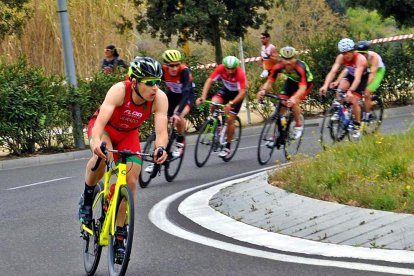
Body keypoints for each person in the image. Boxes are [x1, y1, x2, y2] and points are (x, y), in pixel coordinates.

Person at [79, 56, 168, 259]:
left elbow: (161, 131)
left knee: (131, 179)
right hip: (106, 129)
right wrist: (95, 144)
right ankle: (87, 197)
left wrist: (160, 148)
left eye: (158, 82)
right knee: (104, 156)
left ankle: (120, 233)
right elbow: (100, 123)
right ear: (135, 82)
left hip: (129, 134)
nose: (155, 87)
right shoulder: (120, 90)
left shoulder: (159, 98)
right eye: (150, 82)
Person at [256, 46, 314, 142]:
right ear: (281, 59)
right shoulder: (278, 66)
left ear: (295, 58)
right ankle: (277, 134)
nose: (288, 62)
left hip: (306, 84)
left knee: (294, 102)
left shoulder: (300, 67)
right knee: (281, 104)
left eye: (290, 59)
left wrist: (294, 98)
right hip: (291, 81)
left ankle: (298, 125)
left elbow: (302, 88)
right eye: (285, 59)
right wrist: (263, 90)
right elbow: (269, 81)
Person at [196, 56, 247, 158]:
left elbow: (242, 93)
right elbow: (209, 81)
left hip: (237, 96)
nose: (229, 71)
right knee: (213, 104)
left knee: (230, 120)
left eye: (232, 69)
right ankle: (218, 125)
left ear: (236, 67)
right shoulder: (220, 68)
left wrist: (231, 104)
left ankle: (227, 147)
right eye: (228, 68)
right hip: (226, 91)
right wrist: (203, 97)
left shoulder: (240, 73)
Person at [319, 38, 368, 138]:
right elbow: (333, 71)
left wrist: (350, 91)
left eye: (348, 52)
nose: (346, 55)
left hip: (361, 77)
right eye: (343, 53)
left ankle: (357, 125)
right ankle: (340, 111)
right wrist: (325, 85)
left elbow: (358, 79)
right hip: (351, 75)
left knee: (353, 99)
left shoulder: (360, 59)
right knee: (340, 89)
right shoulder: (341, 57)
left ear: (353, 51)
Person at [354, 40, 385, 121]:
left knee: (367, 93)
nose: (361, 55)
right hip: (366, 71)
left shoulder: (374, 57)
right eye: (359, 53)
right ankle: (362, 111)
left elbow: (372, 73)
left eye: (363, 53)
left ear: (367, 52)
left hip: (378, 71)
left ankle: (369, 114)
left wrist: (365, 86)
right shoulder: (356, 57)